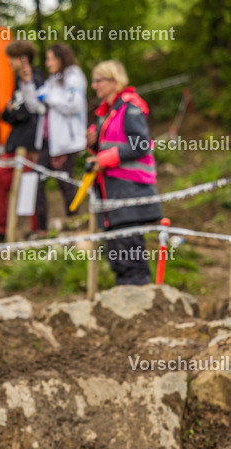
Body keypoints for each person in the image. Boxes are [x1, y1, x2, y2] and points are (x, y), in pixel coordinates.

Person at [86, 60, 158, 286]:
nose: (94, 86)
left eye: (98, 81)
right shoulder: (108, 112)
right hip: (112, 194)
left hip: (130, 192)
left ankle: (141, 305)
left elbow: (140, 144)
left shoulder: (130, 107)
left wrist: (102, 159)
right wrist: (95, 143)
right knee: (117, 258)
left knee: (131, 258)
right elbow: (113, 147)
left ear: (113, 81)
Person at [0, 40, 45, 242]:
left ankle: (37, 230)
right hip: (13, 144)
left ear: (22, 59)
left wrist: (15, 112)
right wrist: (13, 112)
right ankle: (4, 229)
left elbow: (35, 111)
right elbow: (6, 113)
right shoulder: (17, 82)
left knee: (30, 187)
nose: (8, 63)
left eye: (11, 58)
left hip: (28, 147)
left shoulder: (36, 79)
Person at [35, 44, 87, 233]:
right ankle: (42, 228)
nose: (47, 63)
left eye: (50, 59)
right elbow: (37, 100)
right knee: (37, 181)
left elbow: (73, 105)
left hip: (66, 142)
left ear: (61, 58)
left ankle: (74, 224)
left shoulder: (74, 77)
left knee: (66, 184)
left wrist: (48, 97)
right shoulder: (53, 80)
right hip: (48, 141)